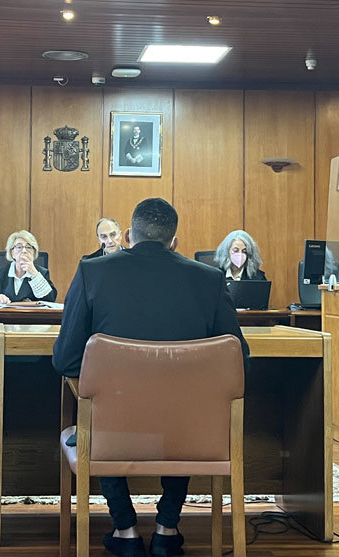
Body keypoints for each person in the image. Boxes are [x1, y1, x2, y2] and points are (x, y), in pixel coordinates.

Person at [53, 198, 249, 557]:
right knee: (182, 404)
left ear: (128, 235)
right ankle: (167, 528)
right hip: (189, 432)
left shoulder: (91, 272)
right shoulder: (209, 279)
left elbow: (65, 360)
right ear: (174, 241)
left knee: (102, 405)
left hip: (113, 430)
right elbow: (239, 361)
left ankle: (125, 528)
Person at [0, 230, 57, 304]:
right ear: (12, 252)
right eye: (19, 247)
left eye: (29, 247)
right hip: (3, 318)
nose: (24, 251)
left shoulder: (42, 273)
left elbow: (50, 300)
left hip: (31, 318)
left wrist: (34, 274)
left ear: (34, 252)